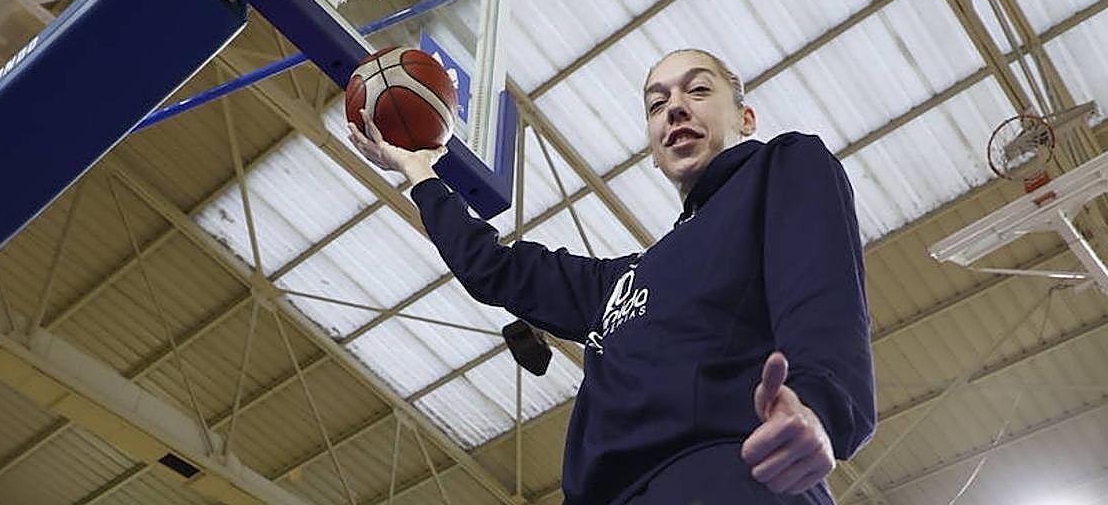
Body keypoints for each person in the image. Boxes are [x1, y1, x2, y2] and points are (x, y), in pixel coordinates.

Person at [348, 48, 876, 504]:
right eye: (656, 103)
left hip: (728, 477)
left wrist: (818, 409)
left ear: (746, 118)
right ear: (652, 143)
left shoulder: (781, 165)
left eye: (697, 89)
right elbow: (494, 270)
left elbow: (824, 298)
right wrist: (421, 173)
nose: (674, 107)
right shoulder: (622, 282)